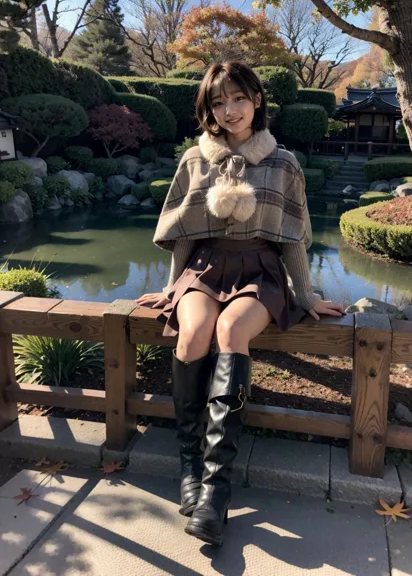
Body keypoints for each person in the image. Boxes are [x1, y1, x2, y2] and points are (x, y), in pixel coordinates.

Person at [136, 61, 345, 547]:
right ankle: (190, 467)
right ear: (208, 109)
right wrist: (172, 289)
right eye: (217, 102)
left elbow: (292, 236)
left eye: (238, 98)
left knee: (231, 332)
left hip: (260, 272)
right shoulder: (195, 159)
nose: (229, 110)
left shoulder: (283, 162)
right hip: (205, 269)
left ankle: (215, 489)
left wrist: (307, 294)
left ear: (256, 99)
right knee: (192, 334)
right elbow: (184, 235)